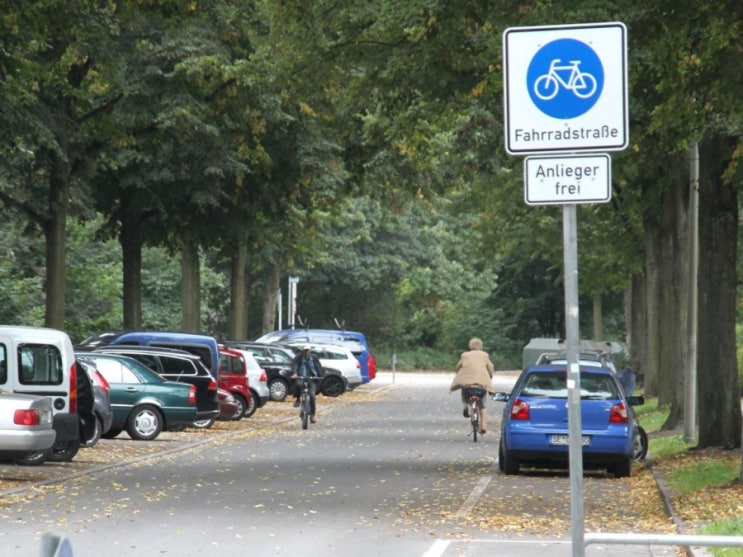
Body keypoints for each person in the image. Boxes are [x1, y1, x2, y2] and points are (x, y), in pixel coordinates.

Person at [450, 337, 495, 434]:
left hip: (468, 388)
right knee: (482, 406)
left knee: (463, 391)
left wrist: (459, 374)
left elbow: (458, 367)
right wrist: (490, 376)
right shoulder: (484, 355)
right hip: (480, 387)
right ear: (480, 345)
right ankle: (483, 426)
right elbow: (490, 367)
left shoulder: (465, 355)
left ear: (470, 345)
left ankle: (466, 406)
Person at [291, 345, 322, 423]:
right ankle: (298, 399)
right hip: (301, 377)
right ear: (303, 351)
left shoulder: (314, 358)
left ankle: (312, 415)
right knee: (298, 385)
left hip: (312, 379)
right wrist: (295, 373)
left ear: (310, 351)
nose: (306, 352)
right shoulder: (299, 357)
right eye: (305, 350)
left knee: (312, 396)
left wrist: (319, 376)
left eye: (307, 350)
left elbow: (318, 367)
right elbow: (295, 365)